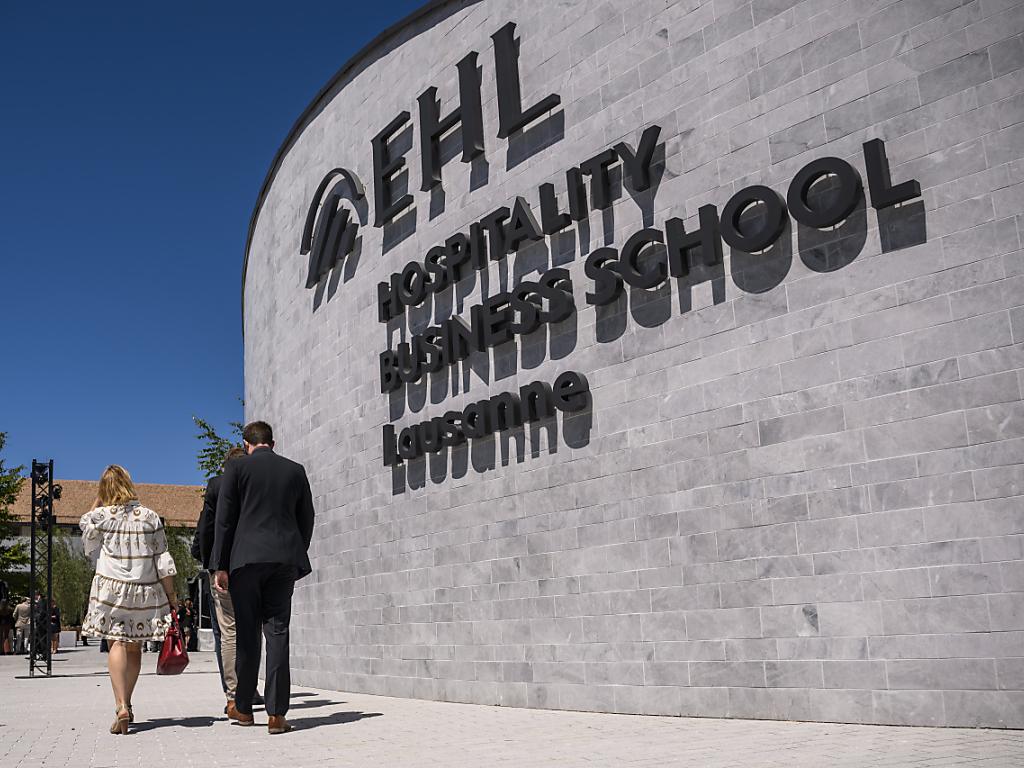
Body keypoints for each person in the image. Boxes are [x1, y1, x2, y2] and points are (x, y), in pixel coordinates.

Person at [212, 421, 314, 735]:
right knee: (278, 632)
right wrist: (295, 552)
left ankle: (244, 709)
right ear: (273, 442)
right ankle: (277, 714)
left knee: (247, 633)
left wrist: (220, 565)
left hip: (245, 561)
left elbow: (225, 520)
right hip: (283, 560)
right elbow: (307, 517)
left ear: (246, 444)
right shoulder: (295, 470)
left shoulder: (237, 469)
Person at [80, 465, 178, 735]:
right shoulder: (150, 516)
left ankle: (121, 705)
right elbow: (163, 559)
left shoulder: (101, 516)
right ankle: (128, 703)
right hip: (143, 590)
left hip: (110, 589)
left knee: (116, 642)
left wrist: (100, 499)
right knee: (134, 646)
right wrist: (171, 596)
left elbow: (85, 524)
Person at [192, 446, 247, 711]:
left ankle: (233, 693)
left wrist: (210, 563)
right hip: (251, 563)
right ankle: (248, 687)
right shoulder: (253, 483)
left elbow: (205, 528)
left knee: (226, 632)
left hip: (221, 567)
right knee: (249, 630)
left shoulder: (216, 485)